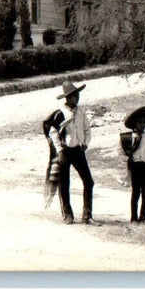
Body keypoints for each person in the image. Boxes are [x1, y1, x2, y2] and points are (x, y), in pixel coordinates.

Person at [52, 81, 94, 224]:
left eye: (77, 94)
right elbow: (53, 132)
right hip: (65, 151)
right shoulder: (60, 113)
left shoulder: (81, 112)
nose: (77, 97)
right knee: (64, 183)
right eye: (74, 95)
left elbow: (87, 130)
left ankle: (87, 214)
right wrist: (60, 149)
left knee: (89, 181)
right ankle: (67, 214)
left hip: (78, 150)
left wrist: (85, 144)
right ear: (68, 98)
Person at [41, 109, 66, 210]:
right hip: (56, 141)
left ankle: (48, 195)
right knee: (55, 166)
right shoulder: (60, 113)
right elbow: (47, 124)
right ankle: (49, 195)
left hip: (61, 141)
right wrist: (50, 139)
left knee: (54, 166)